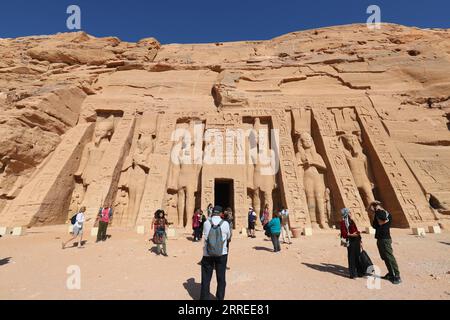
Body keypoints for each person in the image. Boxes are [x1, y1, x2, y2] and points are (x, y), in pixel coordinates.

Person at [200, 205, 231, 300]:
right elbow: (229, 237)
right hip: (222, 253)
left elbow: (204, 236)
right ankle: (219, 298)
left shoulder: (206, 223)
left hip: (207, 253)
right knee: (221, 278)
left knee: (206, 278)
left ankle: (205, 298)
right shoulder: (225, 223)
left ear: (212, 212)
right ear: (221, 213)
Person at [369, 201, 402, 284]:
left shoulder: (380, 213)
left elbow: (381, 222)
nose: (371, 209)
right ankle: (391, 273)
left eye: (372, 207)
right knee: (385, 257)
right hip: (382, 237)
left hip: (384, 238)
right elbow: (376, 225)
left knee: (389, 257)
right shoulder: (384, 213)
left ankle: (397, 275)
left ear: (376, 206)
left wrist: (376, 213)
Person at [340, 208, 363, 279]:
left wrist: (360, 240)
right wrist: (351, 235)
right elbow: (344, 234)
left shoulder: (352, 221)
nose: (351, 213)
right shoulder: (343, 222)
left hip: (356, 240)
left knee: (358, 256)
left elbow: (356, 230)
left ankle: (360, 272)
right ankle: (352, 274)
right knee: (352, 258)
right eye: (349, 212)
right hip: (350, 241)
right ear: (346, 214)